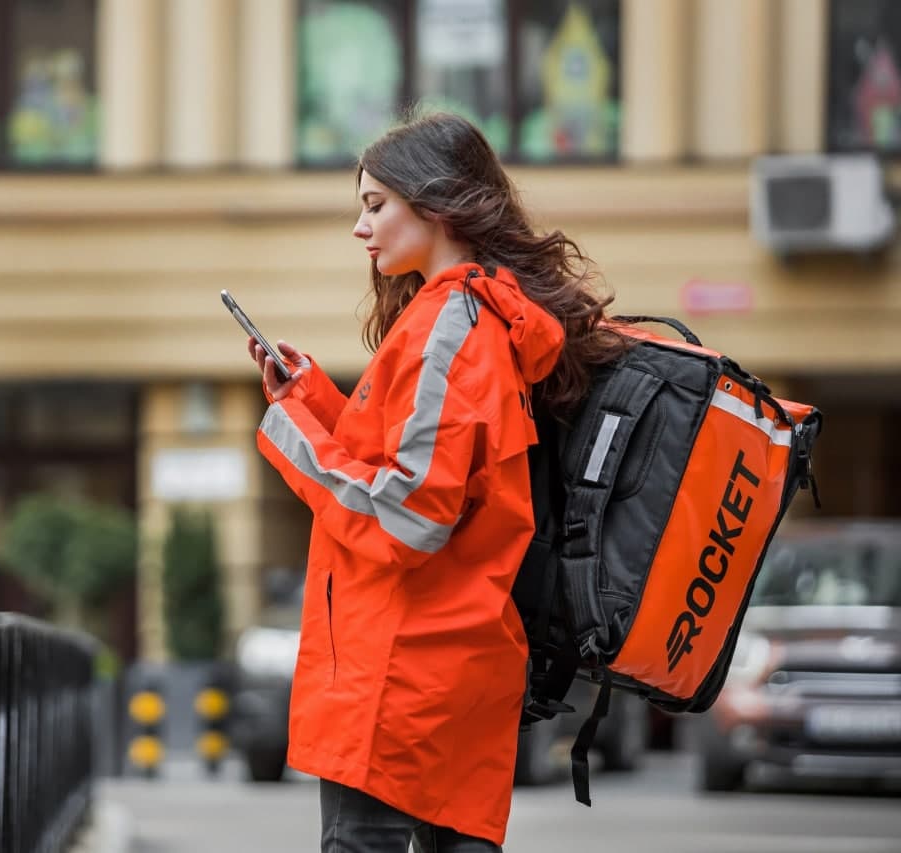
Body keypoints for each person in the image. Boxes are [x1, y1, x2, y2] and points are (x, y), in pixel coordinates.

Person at [244, 111, 627, 852]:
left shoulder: (448, 324)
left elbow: (408, 516)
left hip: (398, 676)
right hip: (454, 670)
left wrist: (290, 439)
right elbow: (433, 472)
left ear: (436, 201)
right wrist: (312, 400)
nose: (361, 227)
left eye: (375, 203)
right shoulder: (483, 320)